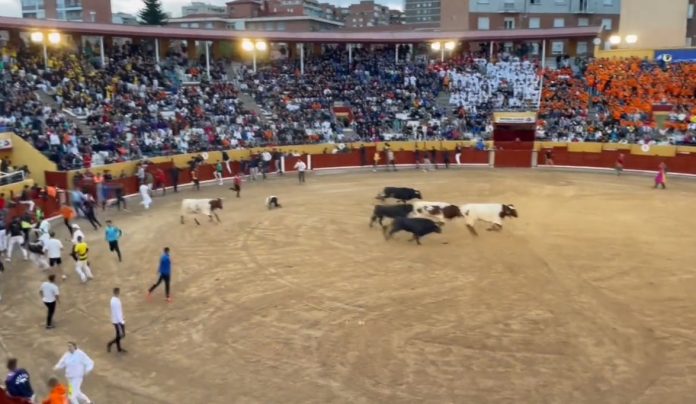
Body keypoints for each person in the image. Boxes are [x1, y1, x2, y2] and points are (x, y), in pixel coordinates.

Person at [107, 287, 126, 353]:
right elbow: (118, 312)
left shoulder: (113, 299)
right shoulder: (116, 301)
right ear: (117, 292)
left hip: (116, 320)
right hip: (118, 321)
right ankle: (110, 344)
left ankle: (118, 348)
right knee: (122, 335)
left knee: (118, 335)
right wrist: (122, 322)